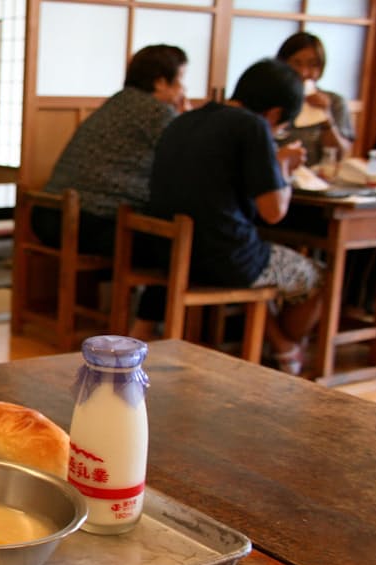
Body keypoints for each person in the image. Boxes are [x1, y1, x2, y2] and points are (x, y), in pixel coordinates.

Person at [145, 58, 323, 375]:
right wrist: (282, 166)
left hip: (165, 250)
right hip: (222, 258)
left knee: (262, 264)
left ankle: (280, 346)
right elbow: (274, 212)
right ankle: (286, 350)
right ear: (276, 113)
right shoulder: (251, 126)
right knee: (316, 276)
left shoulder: (185, 119)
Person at [39, 44, 188, 256]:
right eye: (181, 80)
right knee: (176, 244)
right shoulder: (157, 111)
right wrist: (187, 120)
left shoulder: (118, 101)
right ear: (161, 82)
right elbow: (189, 156)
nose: (183, 90)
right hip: (88, 223)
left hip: (49, 216)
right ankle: (145, 290)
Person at [276, 32, 354, 165]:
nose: (304, 72)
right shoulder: (271, 98)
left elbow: (341, 155)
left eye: (313, 65)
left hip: (317, 179)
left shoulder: (334, 102)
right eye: (296, 63)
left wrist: (326, 116)